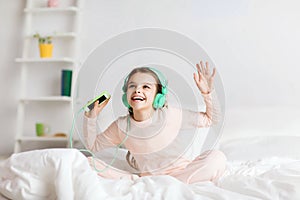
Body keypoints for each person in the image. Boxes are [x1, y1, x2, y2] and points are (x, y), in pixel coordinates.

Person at [83, 61, 226, 184]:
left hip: (181, 173)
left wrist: (208, 93)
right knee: (88, 162)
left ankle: (171, 183)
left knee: (217, 158)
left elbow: (211, 119)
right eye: (132, 86)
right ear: (126, 95)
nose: (137, 90)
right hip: (147, 178)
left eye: (146, 87)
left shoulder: (171, 114)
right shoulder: (121, 126)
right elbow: (94, 146)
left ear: (158, 96)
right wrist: (91, 117)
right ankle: (150, 182)